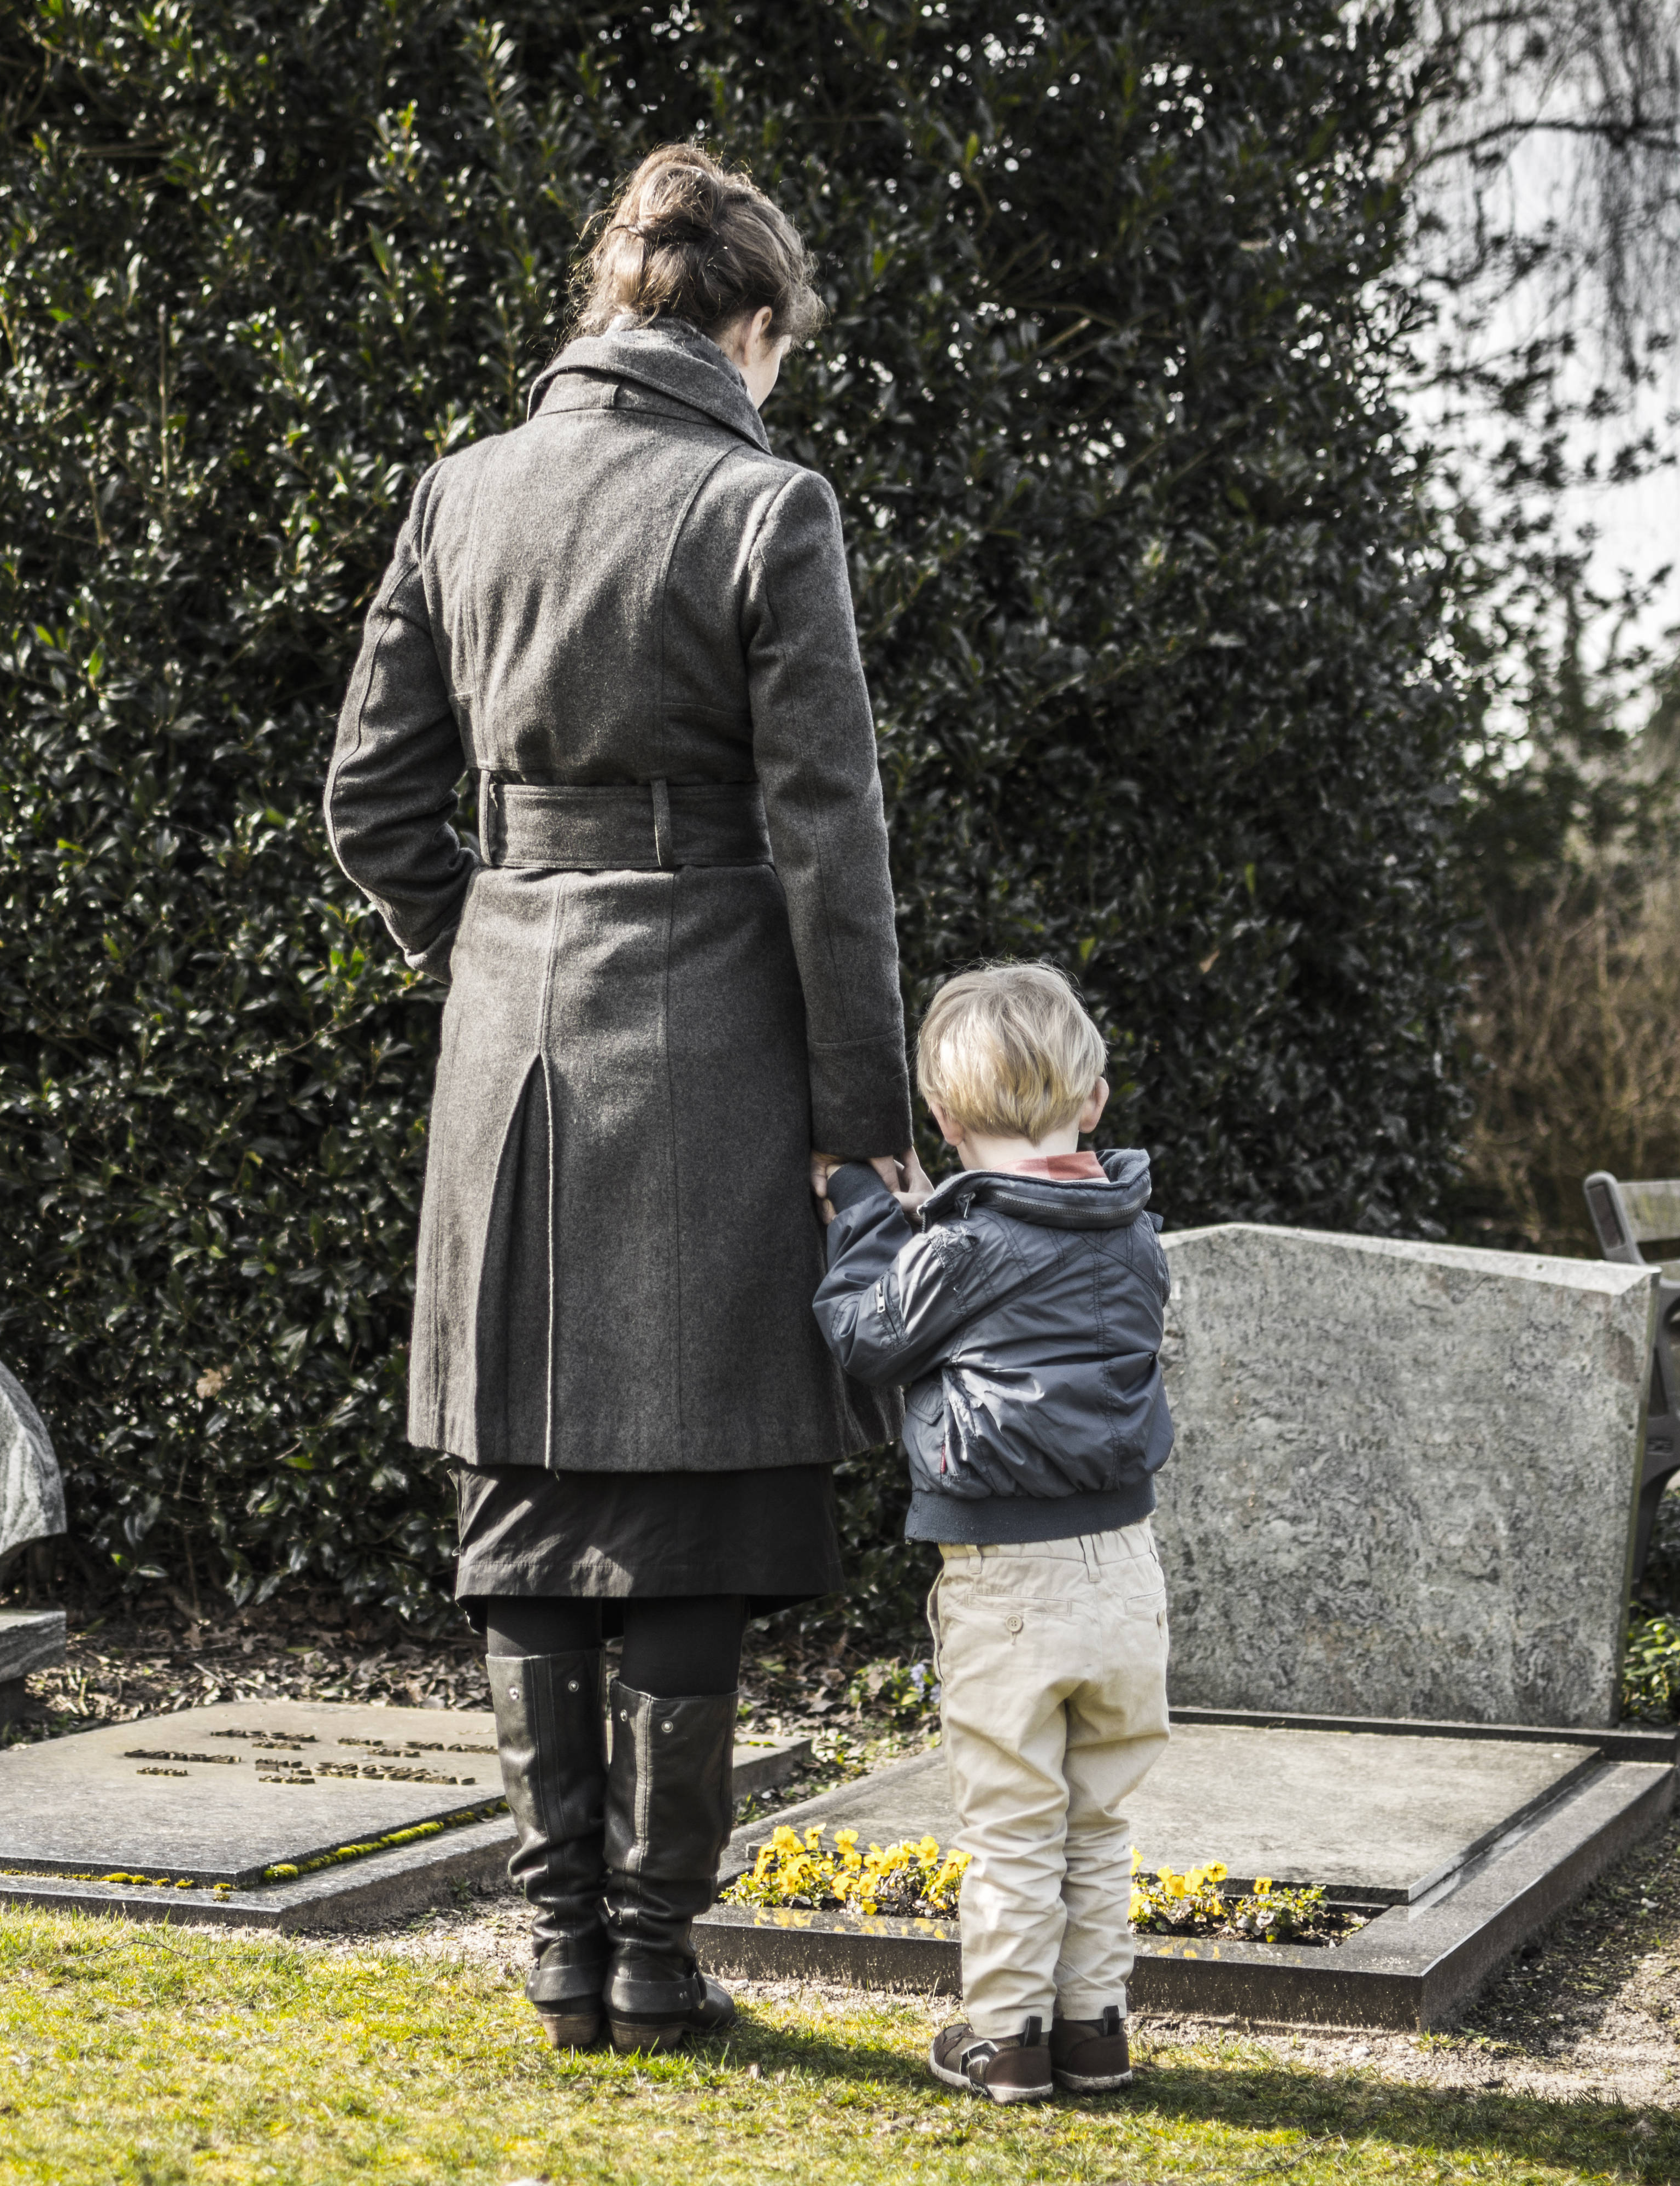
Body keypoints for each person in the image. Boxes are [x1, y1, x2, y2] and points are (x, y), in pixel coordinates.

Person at [325, 142, 917, 2054]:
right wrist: (864, 1117)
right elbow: (831, 842)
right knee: (689, 1510)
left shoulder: (462, 492)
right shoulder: (767, 505)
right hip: (720, 1042)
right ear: (746, 328)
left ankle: (565, 1956)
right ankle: (656, 1961)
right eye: (779, 353)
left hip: (511, 1044)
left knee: (533, 1490)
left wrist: (490, 944)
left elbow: (369, 804)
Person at [812, 963, 1174, 2103]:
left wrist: (872, 1215)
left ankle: (1008, 2032)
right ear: (1096, 1101)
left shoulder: (963, 1245)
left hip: (1007, 1574)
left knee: (1013, 1815)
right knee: (1099, 1816)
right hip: (1126, 1567)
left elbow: (869, 1335)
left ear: (946, 1120)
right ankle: (1095, 2025)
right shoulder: (1135, 1233)